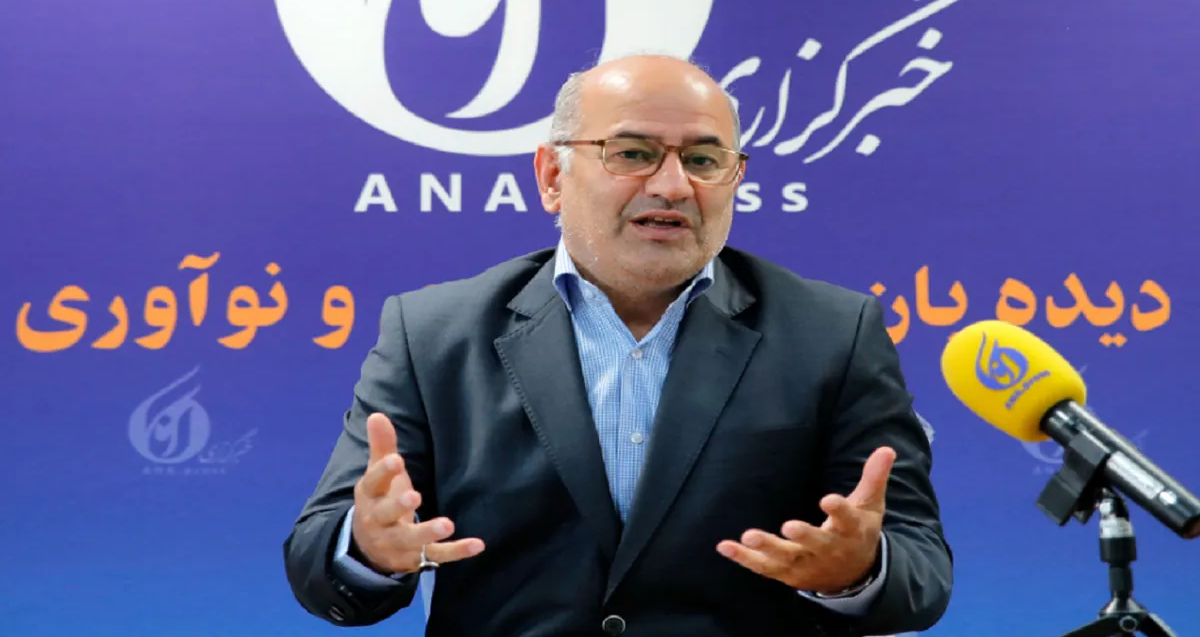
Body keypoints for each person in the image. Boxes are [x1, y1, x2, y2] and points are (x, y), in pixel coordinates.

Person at [283, 53, 953, 636]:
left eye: (703, 160)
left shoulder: (834, 333)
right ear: (552, 175)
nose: (672, 185)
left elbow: (920, 568)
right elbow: (316, 561)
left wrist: (855, 573)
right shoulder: (433, 333)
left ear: (735, 179)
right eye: (632, 153)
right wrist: (367, 549)